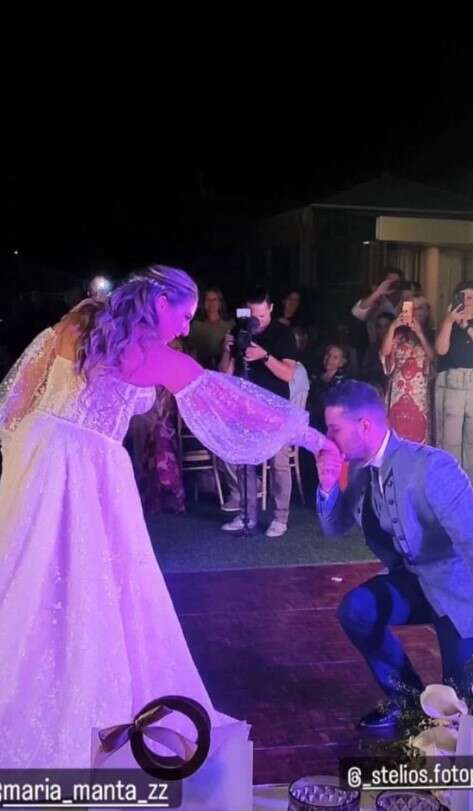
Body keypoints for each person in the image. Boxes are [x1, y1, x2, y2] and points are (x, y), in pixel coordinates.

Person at [0, 266, 332, 767]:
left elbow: (23, 389)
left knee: (29, 576)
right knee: (86, 585)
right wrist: (311, 437)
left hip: (41, 449)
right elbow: (232, 404)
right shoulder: (151, 354)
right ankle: (72, 704)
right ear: (160, 303)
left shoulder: (83, 318)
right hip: (87, 468)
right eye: (185, 314)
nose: (185, 326)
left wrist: (17, 449)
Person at [316, 380, 473, 731]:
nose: (327, 439)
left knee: (466, 714)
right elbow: (335, 527)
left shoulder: (432, 468)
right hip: (417, 582)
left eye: (334, 429)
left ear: (364, 425)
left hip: (461, 595)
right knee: (356, 610)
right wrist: (327, 484)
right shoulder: (363, 470)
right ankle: (408, 701)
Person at [219, 287, 299, 538]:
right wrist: (227, 350)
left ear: (271, 308)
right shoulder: (239, 330)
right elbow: (224, 375)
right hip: (244, 408)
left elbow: (288, 374)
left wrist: (264, 356)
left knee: (279, 463)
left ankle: (281, 518)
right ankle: (247, 515)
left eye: (262, 315)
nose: (257, 320)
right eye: (253, 315)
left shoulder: (283, 334)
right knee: (243, 462)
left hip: (275, 408)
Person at [435, 280, 473, 468]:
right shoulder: (447, 324)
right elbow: (441, 349)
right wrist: (449, 321)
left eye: (470, 297)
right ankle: (449, 481)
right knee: (449, 440)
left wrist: (467, 326)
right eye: (462, 297)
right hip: (451, 385)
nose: (466, 301)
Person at [380, 295, 435, 443]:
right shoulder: (398, 334)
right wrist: (393, 326)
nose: (416, 312)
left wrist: (420, 333)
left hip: (420, 392)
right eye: (412, 308)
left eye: (420, 308)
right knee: (396, 434)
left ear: (427, 311)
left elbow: (434, 357)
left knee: (418, 434)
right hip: (398, 391)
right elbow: (385, 352)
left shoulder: (432, 333)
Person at [351, 268, 405, 343]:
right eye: (389, 281)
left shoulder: (406, 300)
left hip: (400, 346)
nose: (392, 284)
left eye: (396, 282)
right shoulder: (375, 299)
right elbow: (356, 312)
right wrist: (378, 292)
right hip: (375, 346)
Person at [186, 285, 234, 369]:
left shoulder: (230, 324)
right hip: (201, 368)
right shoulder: (196, 325)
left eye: (214, 299)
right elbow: (190, 348)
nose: (211, 302)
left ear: (220, 302)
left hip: (223, 368)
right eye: (208, 299)